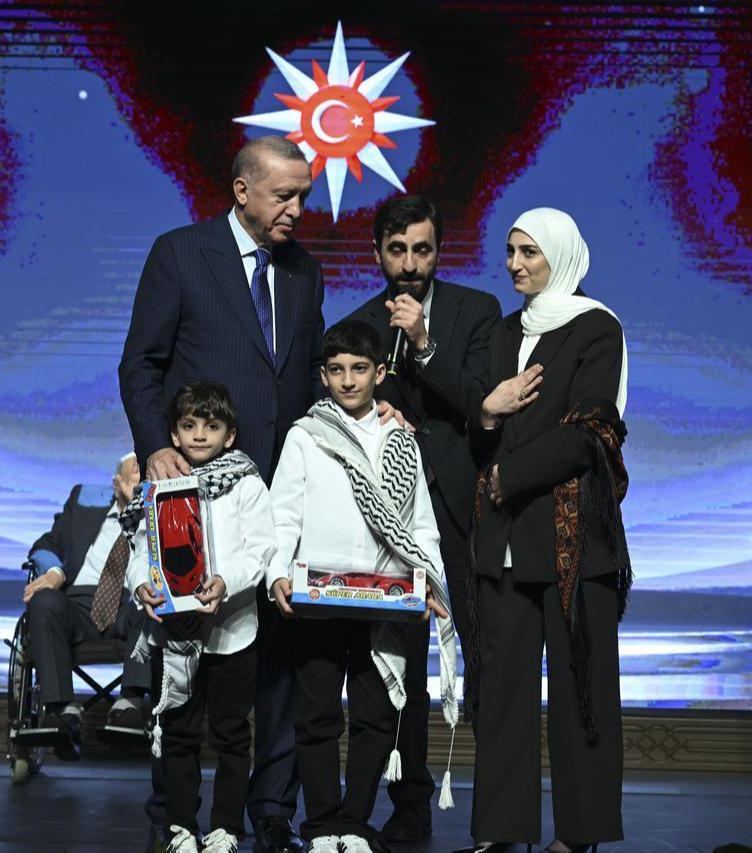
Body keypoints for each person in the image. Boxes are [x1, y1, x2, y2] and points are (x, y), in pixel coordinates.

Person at [118, 134, 322, 853]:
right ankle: (173, 817)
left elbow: (308, 378)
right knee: (185, 669)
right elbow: (139, 363)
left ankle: (265, 814)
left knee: (274, 666)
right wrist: (154, 448)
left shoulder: (305, 272)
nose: (300, 208)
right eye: (284, 195)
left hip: (277, 505)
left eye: (304, 193)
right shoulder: (180, 252)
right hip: (195, 503)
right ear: (242, 191)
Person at [469, 209, 630, 852]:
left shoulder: (596, 328)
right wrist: (485, 414)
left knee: (580, 691)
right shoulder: (501, 331)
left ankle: (579, 833)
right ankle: (503, 831)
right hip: (504, 540)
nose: (515, 264)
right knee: (501, 694)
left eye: (529, 252)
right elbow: (482, 413)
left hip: (573, 544)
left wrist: (510, 472)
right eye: (509, 251)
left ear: (560, 254)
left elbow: (593, 429)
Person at [267, 321, 458, 853]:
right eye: (336, 370)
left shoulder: (401, 441)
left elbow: (421, 524)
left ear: (378, 372)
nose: (348, 381)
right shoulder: (305, 436)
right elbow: (283, 515)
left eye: (358, 369)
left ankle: (354, 823)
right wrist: (277, 573)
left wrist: (428, 587)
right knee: (318, 713)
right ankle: (321, 823)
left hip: (385, 601)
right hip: (319, 598)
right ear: (323, 376)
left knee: (376, 715)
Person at [345, 194, 499, 842]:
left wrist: (425, 344)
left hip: (465, 511)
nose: (410, 265)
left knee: (487, 661)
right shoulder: (356, 325)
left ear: (440, 250)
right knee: (399, 669)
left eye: (423, 250)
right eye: (398, 250)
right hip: (391, 521)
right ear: (379, 252)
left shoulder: (477, 312)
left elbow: (485, 406)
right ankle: (407, 812)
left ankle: (498, 813)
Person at [125, 382, 276, 853]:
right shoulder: (160, 487)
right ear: (173, 432)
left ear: (229, 435)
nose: (199, 435)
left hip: (232, 632)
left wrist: (225, 580)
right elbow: (139, 549)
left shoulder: (248, 483)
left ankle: (227, 828)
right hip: (176, 634)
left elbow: (261, 548)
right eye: (189, 426)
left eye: (211, 426)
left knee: (231, 735)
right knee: (179, 733)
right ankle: (180, 827)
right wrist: (140, 586)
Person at [21, 452, 151, 761]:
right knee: (44, 601)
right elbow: (46, 544)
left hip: (129, 604)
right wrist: (54, 572)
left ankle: (129, 706)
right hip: (75, 604)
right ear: (116, 484)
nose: (142, 478)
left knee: (152, 606)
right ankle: (61, 710)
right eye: (135, 473)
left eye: (147, 474)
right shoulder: (82, 510)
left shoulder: (159, 521)